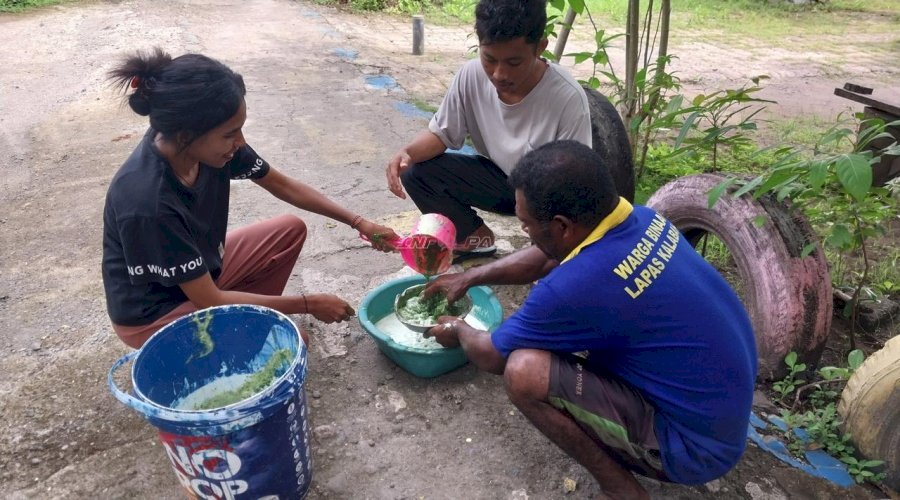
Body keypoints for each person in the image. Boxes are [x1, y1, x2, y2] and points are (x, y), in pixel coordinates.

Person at [424, 141, 757, 499]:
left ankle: (621, 489)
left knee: (524, 372)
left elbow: (491, 355)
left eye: (526, 225)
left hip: (690, 449)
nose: (526, 234)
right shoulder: (643, 218)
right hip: (722, 414)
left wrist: (457, 328)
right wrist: (470, 277)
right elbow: (547, 256)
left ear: (563, 226)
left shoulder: (570, 289)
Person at [103, 47, 399, 349]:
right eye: (230, 134)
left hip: (201, 274)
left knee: (289, 230)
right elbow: (209, 298)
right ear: (185, 134)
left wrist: (359, 222)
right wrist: (307, 303)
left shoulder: (203, 148)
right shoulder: (147, 203)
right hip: (155, 313)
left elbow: (281, 184)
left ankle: (248, 318)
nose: (240, 143)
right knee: (290, 344)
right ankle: (245, 324)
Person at [385, 0, 591, 260]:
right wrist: (406, 153)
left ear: (540, 48)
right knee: (416, 171)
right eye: (489, 59)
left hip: (546, 195)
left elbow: (574, 183)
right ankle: (473, 236)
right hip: (500, 181)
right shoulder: (470, 76)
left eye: (514, 62)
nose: (498, 74)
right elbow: (441, 134)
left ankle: (545, 252)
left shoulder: (567, 98)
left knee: (548, 263)